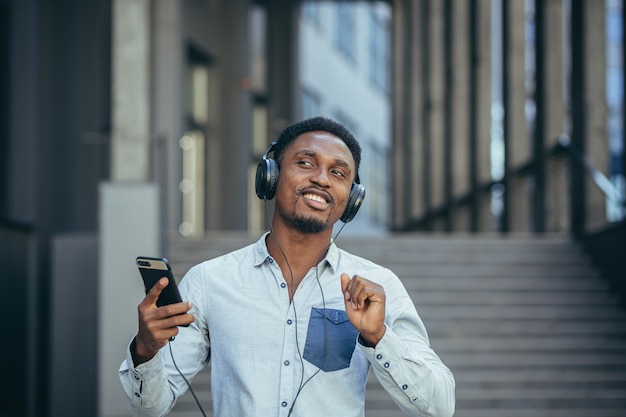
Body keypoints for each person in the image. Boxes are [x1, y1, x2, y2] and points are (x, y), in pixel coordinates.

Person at [119, 116, 455, 417]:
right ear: (271, 176)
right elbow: (150, 407)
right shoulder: (210, 281)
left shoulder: (378, 286)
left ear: (351, 199)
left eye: (338, 172)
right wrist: (145, 351)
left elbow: (440, 405)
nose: (322, 179)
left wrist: (377, 336)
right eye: (306, 163)